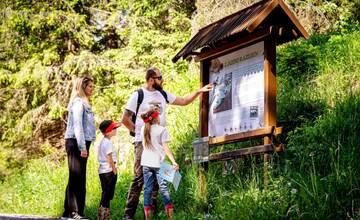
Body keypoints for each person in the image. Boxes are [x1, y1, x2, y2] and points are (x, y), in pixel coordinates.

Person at [121, 67, 212, 219]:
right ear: (151, 80)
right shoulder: (138, 95)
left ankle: (151, 213)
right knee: (139, 178)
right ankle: (128, 215)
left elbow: (183, 101)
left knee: (158, 177)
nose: (162, 80)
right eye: (160, 77)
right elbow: (125, 119)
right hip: (142, 143)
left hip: (160, 141)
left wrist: (199, 91)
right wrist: (138, 133)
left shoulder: (163, 94)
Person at [63, 76, 96, 219]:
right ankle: (73, 212)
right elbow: (77, 126)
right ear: (82, 87)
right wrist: (82, 146)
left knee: (79, 177)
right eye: (90, 86)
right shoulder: (78, 103)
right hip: (76, 142)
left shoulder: (85, 103)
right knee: (76, 177)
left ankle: (72, 212)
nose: (92, 89)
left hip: (82, 142)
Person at [140, 108, 178, 220]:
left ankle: (147, 218)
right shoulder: (162, 129)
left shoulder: (143, 128)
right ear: (156, 117)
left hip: (146, 163)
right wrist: (173, 161)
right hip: (158, 163)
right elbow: (166, 148)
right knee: (164, 188)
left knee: (147, 189)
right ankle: (170, 217)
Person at [97, 120, 121, 220]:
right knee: (107, 195)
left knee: (105, 193)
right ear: (108, 131)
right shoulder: (108, 143)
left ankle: (104, 216)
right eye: (114, 128)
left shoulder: (103, 141)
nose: (116, 130)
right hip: (108, 171)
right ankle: (103, 217)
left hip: (103, 171)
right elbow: (109, 158)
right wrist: (114, 170)